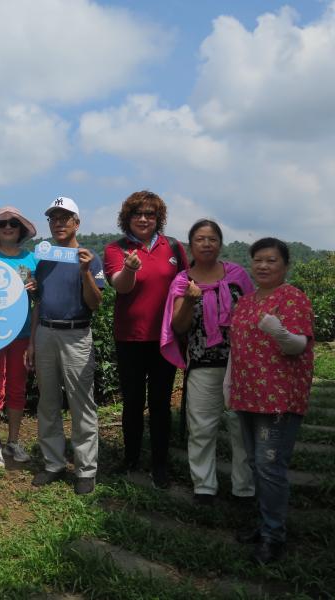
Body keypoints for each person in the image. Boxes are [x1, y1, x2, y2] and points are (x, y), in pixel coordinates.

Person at [228, 238, 314, 564]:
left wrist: (278, 332)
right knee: (256, 464)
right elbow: (237, 347)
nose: (263, 266)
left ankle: (274, 536)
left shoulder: (293, 298)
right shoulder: (247, 302)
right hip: (247, 393)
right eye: (258, 260)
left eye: (271, 260)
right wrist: (228, 383)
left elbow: (298, 345)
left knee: (269, 467)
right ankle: (266, 525)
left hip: (278, 398)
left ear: (285, 265)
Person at [160, 219, 254, 504]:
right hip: (201, 364)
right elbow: (178, 327)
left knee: (241, 428)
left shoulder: (237, 275)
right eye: (200, 239)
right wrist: (189, 300)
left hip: (239, 364)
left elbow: (252, 312)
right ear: (191, 245)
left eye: (212, 239)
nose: (206, 244)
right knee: (201, 427)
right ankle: (204, 485)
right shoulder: (182, 281)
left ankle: (244, 488)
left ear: (220, 243)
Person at [103, 190, 188, 489]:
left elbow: (185, 289)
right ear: (127, 218)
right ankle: (131, 460)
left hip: (165, 339)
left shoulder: (174, 248)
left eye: (150, 214)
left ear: (158, 218)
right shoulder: (117, 249)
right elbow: (121, 288)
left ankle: (160, 464)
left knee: (162, 403)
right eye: (137, 214)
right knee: (133, 402)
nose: (143, 219)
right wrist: (130, 268)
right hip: (130, 338)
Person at [25, 198, 104, 493]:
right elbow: (40, 303)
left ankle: (86, 470)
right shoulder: (44, 259)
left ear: (76, 223)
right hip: (45, 332)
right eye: (54, 218)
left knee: (81, 403)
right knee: (47, 401)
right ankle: (53, 463)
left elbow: (96, 304)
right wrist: (32, 341)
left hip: (76, 335)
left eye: (65, 218)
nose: (59, 223)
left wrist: (85, 273)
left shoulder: (89, 258)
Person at [0, 207, 38, 468]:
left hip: (22, 333)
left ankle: (13, 441)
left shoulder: (31, 259)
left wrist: (35, 287)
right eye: (3, 224)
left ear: (20, 229)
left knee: (16, 387)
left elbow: (38, 303)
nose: (8, 227)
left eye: (13, 223)